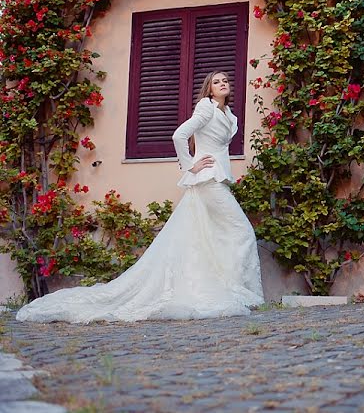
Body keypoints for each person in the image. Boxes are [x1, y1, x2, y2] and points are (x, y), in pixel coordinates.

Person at [17, 71, 264, 323]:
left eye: (225, 81)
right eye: (216, 82)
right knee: (241, 230)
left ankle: (231, 289)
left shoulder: (227, 113)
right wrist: (190, 165)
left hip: (217, 178)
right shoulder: (206, 108)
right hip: (208, 180)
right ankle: (240, 291)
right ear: (209, 89)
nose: (222, 84)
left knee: (211, 235)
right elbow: (179, 134)